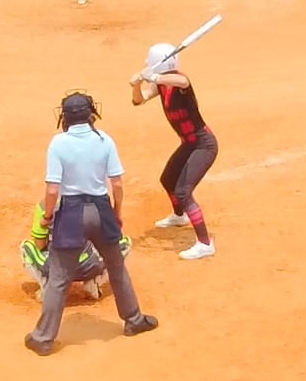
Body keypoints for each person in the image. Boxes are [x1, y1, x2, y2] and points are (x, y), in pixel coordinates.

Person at [25, 91, 159, 356]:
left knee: (59, 278)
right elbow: (117, 184)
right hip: (100, 209)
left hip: (71, 213)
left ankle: (43, 338)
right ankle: (134, 320)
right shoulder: (104, 140)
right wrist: (116, 213)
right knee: (117, 268)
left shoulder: (58, 143)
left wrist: (48, 216)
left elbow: (52, 189)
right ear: (91, 114)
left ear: (64, 117)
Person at [130, 43, 217, 260]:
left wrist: (154, 77)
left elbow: (183, 81)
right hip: (189, 143)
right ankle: (179, 216)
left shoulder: (178, 81)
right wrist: (137, 84)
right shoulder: (161, 85)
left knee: (183, 191)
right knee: (168, 179)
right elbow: (138, 100)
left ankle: (205, 243)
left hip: (203, 144)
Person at [19, 202, 133, 301]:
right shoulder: (97, 202)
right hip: (89, 266)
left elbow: (39, 245)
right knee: (123, 244)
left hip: (56, 268)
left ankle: (48, 287)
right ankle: (93, 282)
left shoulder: (45, 205)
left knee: (25, 247)